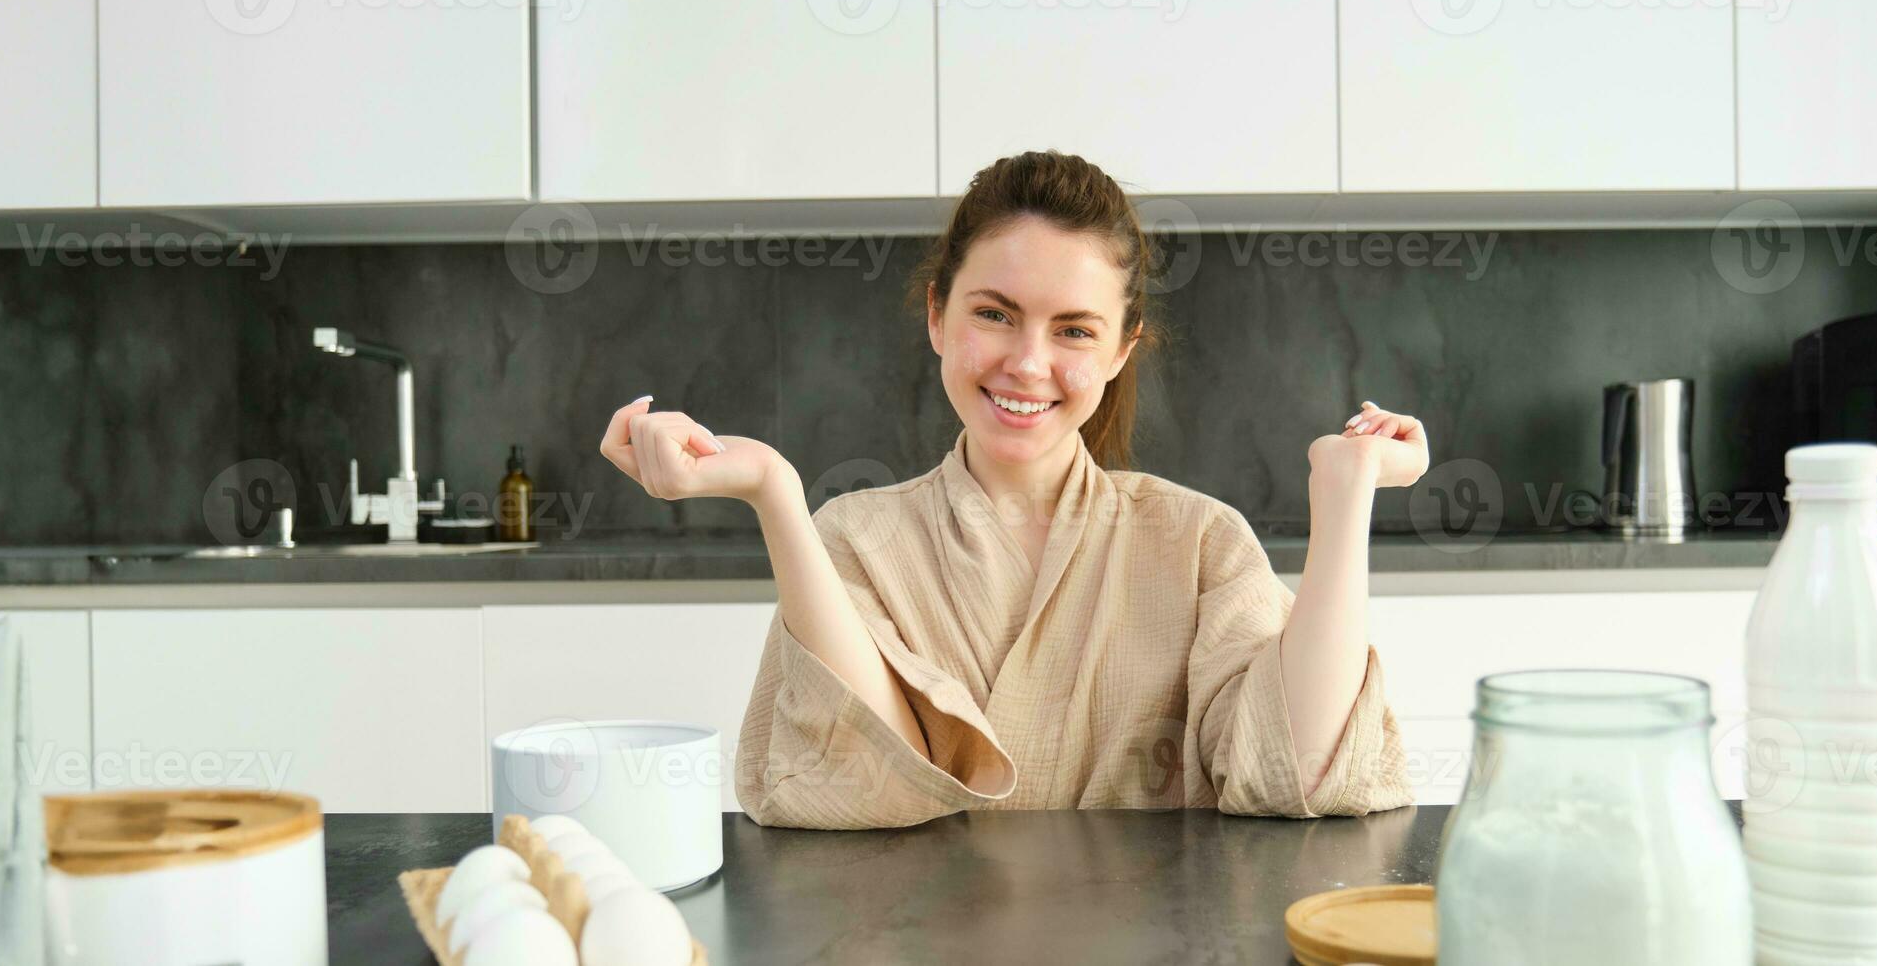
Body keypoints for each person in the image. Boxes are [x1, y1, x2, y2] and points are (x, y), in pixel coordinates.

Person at [601, 151, 1422, 830]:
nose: (1028, 364)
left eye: (1074, 330)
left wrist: (1346, 496)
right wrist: (773, 493)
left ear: (1121, 350)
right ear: (937, 316)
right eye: (995, 314)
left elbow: (1298, 771)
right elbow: (859, 784)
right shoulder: (853, 537)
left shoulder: (1198, 540)